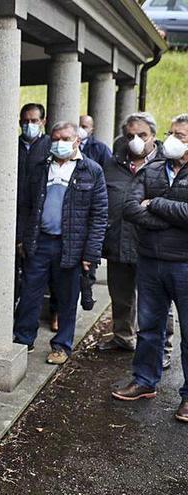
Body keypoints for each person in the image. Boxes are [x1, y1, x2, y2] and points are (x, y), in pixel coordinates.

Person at [113, 114, 188, 423]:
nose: (172, 140)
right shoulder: (152, 169)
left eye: (181, 136)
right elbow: (130, 208)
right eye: (171, 134)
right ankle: (144, 380)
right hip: (150, 261)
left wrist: (155, 204)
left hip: (184, 264)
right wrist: (173, 218)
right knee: (149, 328)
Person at [13, 121, 107, 365]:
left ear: (77, 140)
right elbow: (26, 206)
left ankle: (61, 345)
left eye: (65, 138)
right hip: (40, 242)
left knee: (67, 298)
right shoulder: (40, 168)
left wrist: (91, 252)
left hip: (71, 245)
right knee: (30, 292)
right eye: (55, 139)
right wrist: (22, 238)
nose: (59, 143)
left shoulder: (91, 170)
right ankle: (24, 339)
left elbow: (99, 215)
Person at [99, 112, 174, 367]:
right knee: (120, 296)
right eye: (130, 135)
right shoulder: (112, 163)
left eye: (142, 135)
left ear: (153, 135)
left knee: (156, 301)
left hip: (153, 246)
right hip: (118, 241)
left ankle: (161, 348)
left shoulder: (168, 165)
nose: (136, 140)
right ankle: (123, 337)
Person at [16, 103, 58, 330]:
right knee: (18, 268)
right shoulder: (13, 145)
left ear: (43, 121)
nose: (28, 125)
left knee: (46, 271)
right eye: (25, 121)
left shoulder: (50, 146)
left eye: (33, 121)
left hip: (40, 214)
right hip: (14, 212)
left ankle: (54, 312)